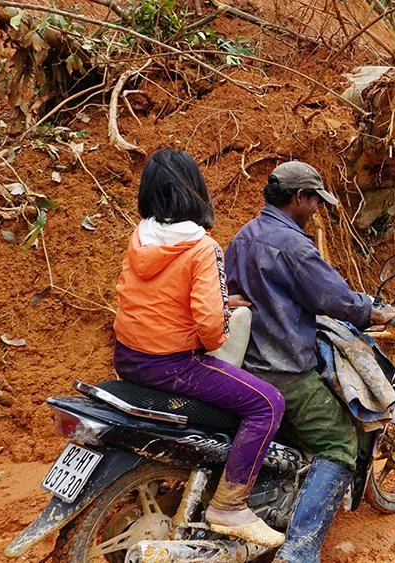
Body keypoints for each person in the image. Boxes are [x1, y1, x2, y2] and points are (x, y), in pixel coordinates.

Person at [224, 161, 395, 562]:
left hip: (240, 367)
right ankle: (300, 553)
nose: (317, 209)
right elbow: (332, 298)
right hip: (283, 368)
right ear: (299, 197)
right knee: (340, 443)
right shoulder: (294, 245)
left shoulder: (242, 238)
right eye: (314, 201)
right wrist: (374, 310)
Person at [112, 149, 285, 547]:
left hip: (128, 359)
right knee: (268, 403)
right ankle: (229, 504)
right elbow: (210, 329)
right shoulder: (202, 247)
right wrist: (222, 322)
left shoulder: (140, 237)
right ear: (195, 190)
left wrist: (221, 302)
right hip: (173, 364)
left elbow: (160, 297)